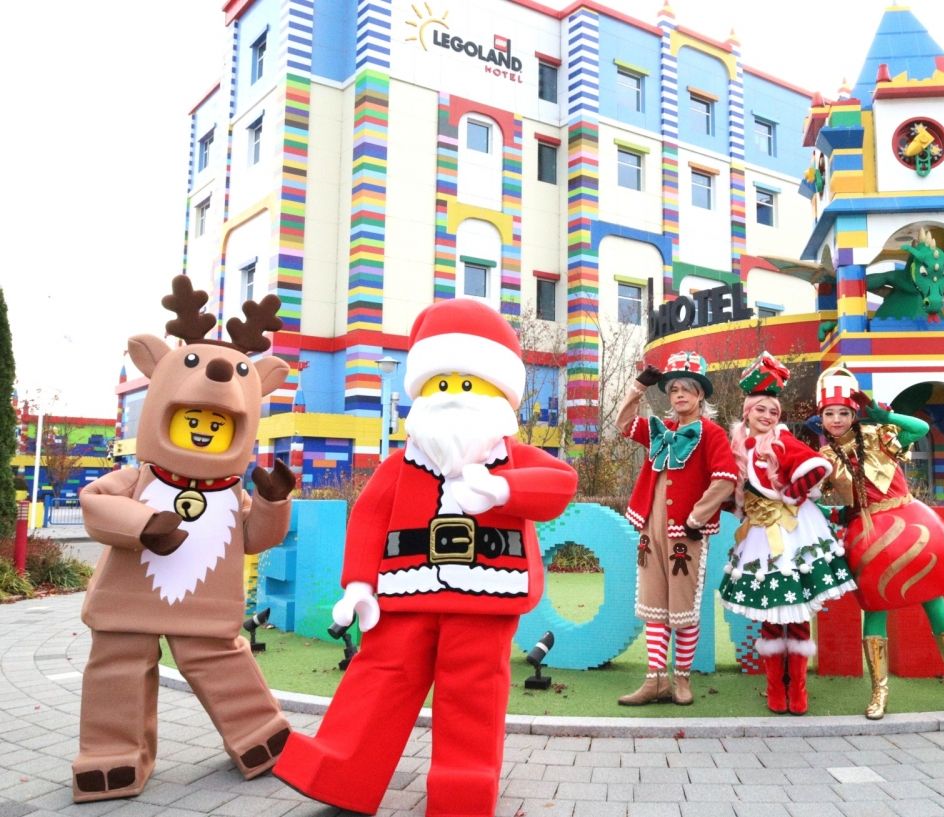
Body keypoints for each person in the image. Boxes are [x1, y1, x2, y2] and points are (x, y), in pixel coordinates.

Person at [273, 299, 577, 816]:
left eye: (468, 384)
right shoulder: (401, 464)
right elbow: (369, 518)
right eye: (440, 384)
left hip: (485, 593)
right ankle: (340, 771)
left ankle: (464, 785)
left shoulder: (510, 459)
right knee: (378, 678)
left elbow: (559, 483)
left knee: (472, 693)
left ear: (500, 394)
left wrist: (502, 489)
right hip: (404, 591)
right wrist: (359, 585)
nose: (453, 395)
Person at [74, 276, 294, 802]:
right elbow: (95, 505)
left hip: (204, 608)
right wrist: (144, 525)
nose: (203, 429)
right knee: (119, 669)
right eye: (193, 419)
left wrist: (272, 502)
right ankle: (112, 756)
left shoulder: (232, 494)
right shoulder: (140, 479)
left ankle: (260, 736)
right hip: (129, 602)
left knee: (222, 662)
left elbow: (255, 538)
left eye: (216, 424)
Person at [816, 364, 944, 720]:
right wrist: (830, 514)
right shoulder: (824, 459)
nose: (837, 419)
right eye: (829, 413)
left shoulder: (877, 435)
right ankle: (879, 692)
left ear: (854, 414)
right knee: (875, 609)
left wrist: (886, 416)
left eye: (844, 412)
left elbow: (920, 429)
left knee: (934, 600)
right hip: (868, 536)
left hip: (913, 527)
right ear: (821, 417)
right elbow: (814, 496)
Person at [717, 352, 856, 715]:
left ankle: (799, 691)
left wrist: (791, 495)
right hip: (759, 536)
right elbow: (729, 490)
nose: (767, 416)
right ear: (747, 412)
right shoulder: (738, 448)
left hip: (793, 531)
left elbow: (818, 466)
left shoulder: (780, 441)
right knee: (771, 609)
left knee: (796, 610)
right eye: (761, 410)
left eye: (773, 412)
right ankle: (776, 690)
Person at [616, 351, 737, 706]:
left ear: (700, 394)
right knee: (654, 604)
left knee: (683, 607)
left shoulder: (711, 433)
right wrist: (638, 388)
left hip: (686, 534)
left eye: (686, 389)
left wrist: (698, 517)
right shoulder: (661, 430)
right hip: (649, 528)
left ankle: (681, 679)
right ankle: (655, 680)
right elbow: (624, 424)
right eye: (673, 390)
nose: (679, 395)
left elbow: (725, 479)